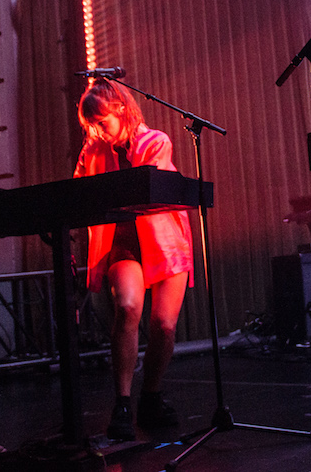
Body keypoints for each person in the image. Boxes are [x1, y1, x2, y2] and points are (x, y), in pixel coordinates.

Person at [74, 78, 194, 441]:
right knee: (127, 308)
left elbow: (148, 187)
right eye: (91, 124)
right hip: (123, 244)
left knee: (165, 326)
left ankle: (152, 396)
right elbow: (79, 193)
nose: (97, 130)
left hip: (164, 242)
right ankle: (123, 402)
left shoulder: (155, 141)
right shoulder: (92, 152)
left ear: (121, 110)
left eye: (102, 122)